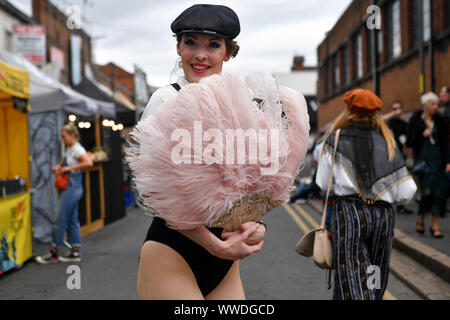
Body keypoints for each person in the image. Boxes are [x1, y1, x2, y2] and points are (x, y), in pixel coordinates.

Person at [137, 4, 267, 300]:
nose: (200, 55)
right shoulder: (166, 99)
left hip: (225, 261)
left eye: (213, 45)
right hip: (173, 252)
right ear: (179, 48)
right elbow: (152, 194)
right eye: (190, 42)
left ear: (229, 52)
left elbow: (253, 183)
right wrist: (214, 245)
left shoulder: (243, 102)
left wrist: (255, 225)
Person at [316, 89, 417, 300]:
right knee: (375, 268)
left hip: (349, 212)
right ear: (376, 113)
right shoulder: (387, 141)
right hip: (383, 215)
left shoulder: (335, 139)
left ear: (349, 110)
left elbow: (322, 183)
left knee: (350, 271)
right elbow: (408, 191)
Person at [36, 123, 93, 264]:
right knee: (72, 220)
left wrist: (68, 168)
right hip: (71, 187)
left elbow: (89, 163)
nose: (63, 139)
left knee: (60, 219)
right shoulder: (69, 149)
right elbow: (62, 165)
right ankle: (75, 251)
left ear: (72, 135)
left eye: (64, 136)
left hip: (72, 188)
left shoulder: (77, 149)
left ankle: (54, 252)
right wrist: (58, 168)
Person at [407, 92, 448, 238]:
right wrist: (421, 135)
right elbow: (409, 141)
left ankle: (435, 226)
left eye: (436, 104)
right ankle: (421, 218)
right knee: (427, 193)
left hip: (438, 161)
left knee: (439, 194)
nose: (435, 107)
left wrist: (448, 161)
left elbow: (445, 143)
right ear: (425, 105)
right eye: (432, 104)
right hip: (423, 163)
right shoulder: (416, 120)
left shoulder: (440, 120)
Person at [382, 101, 413, 214]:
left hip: (399, 156)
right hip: (388, 156)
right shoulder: (388, 122)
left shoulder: (403, 123)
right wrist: (392, 114)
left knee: (400, 181)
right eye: (395, 108)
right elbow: (379, 121)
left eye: (399, 108)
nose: (397, 111)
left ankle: (400, 205)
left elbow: (408, 139)